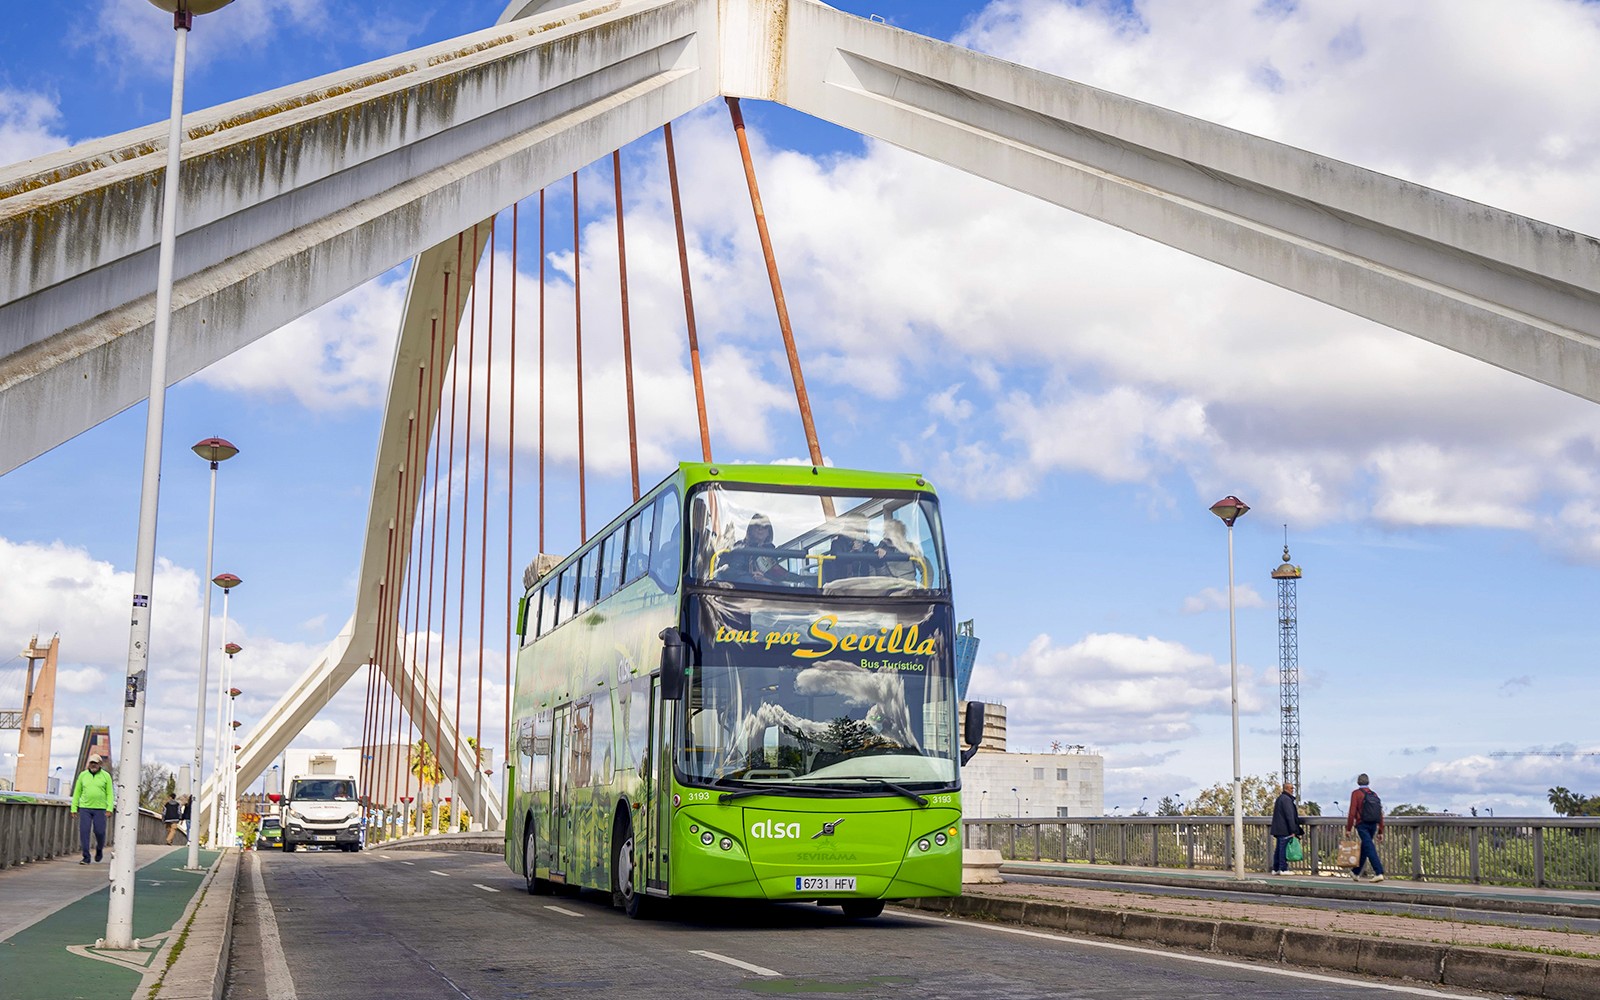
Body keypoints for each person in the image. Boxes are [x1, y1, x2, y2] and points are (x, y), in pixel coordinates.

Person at [725, 514, 801, 585]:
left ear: (769, 532)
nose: (760, 529)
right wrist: (751, 575)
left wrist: (804, 579)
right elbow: (733, 573)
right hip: (742, 588)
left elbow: (780, 575)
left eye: (765, 526)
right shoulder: (740, 548)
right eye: (757, 525)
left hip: (766, 590)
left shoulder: (771, 552)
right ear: (750, 529)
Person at [70, 753, 115, 865]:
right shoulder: (83, 775)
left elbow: (110, 794)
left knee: (99, 832)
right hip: (85, 808)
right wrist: (74, 808)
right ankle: (86, 857)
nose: (93, 765)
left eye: (95, 763)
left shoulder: (106, 776)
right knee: (84, 832)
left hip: (100, 809)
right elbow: (77, 792)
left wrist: (109, 808)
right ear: (88, 764)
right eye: (91, 763)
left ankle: (99, 849)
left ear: (100, 764)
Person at [1344, 772, 1386, 882]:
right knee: (1365, 847)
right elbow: (1380, 813)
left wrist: (1348, 828)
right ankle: (1355, 872)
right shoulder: (1374, 794)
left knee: (1369, 847)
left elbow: (1352, 812)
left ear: (1358, 782)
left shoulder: (1356, 794)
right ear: (1368, 782)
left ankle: (1379, 871)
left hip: (1362, 824)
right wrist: (1381, 830)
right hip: (1373, 824)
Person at [1269, 781, 1304, 875]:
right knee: (1283, 848)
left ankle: (1275, 868)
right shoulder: (1286, 800)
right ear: (1287, 789)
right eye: (1291, 788)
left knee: (1279, 848)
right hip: (1285, 829)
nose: (1293, 790)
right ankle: (1283, 868)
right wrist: (1293, 830)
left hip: (1279, 828)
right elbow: (1289, 816)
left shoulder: (1280, 799)